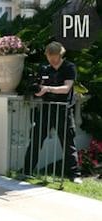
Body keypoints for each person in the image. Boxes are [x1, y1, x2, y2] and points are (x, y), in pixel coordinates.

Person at [23, 41, 82, 183]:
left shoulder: (69, 67)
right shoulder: (44, 68)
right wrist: (37, 89)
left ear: (60, 54)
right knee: (36, 138)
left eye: (53, 56)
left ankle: (74, 175)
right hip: (46, 108)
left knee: (68, 142)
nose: (51, 59)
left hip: (63, 109)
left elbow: (66, 88)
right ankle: (27, 171)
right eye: (49, 56)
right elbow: (40, 85)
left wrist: (47, 89)